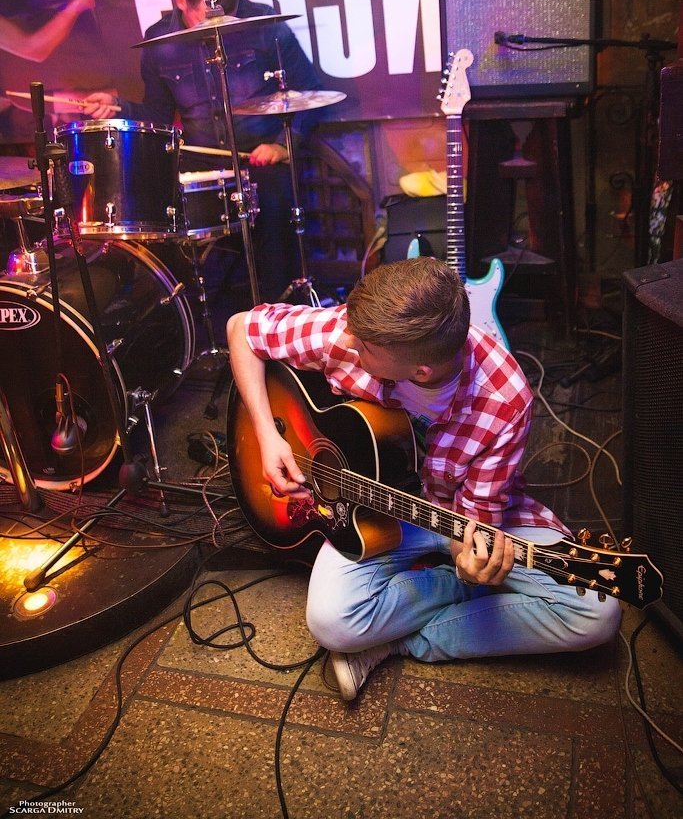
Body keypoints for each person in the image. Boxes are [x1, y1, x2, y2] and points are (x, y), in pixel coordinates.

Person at [226, 256, 622, 701]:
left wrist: (471, 564)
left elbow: (473, 528)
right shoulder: (360, 330)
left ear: (420, 372)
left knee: (597, 615)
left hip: (460, 514)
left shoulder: (505, 400)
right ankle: (460, 598)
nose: (347, 342)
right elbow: (242, 328)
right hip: (375, 513)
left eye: (362, 348)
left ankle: (397, 640)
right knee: (331, 623)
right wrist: (267, 433)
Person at [82, 0, 324, 304]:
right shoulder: (160, 42)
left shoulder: (265, 25)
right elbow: (158, 114)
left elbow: (311, 91)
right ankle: (189, 311)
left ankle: (278, 310)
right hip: (202, 160)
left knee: (276, 210)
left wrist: (284, 145)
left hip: (261, 156)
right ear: (181, 2)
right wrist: (118, 106)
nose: (217, 28)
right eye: (205, 18)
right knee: (158, 209)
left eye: (228, 17)